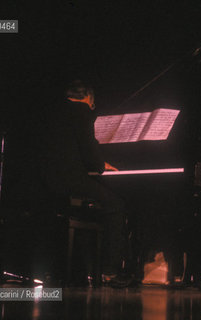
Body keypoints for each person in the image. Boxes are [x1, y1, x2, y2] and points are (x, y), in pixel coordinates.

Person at [41, 80, 131, 286]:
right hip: (70, 179)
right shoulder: (82, 112)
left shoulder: (54, 111)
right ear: (88, 97)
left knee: (94, 204)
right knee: (116, 205)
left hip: (48, 179)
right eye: (93, 102)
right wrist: (101, 164)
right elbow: (90, 153)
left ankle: (80, 267)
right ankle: (110, 271)